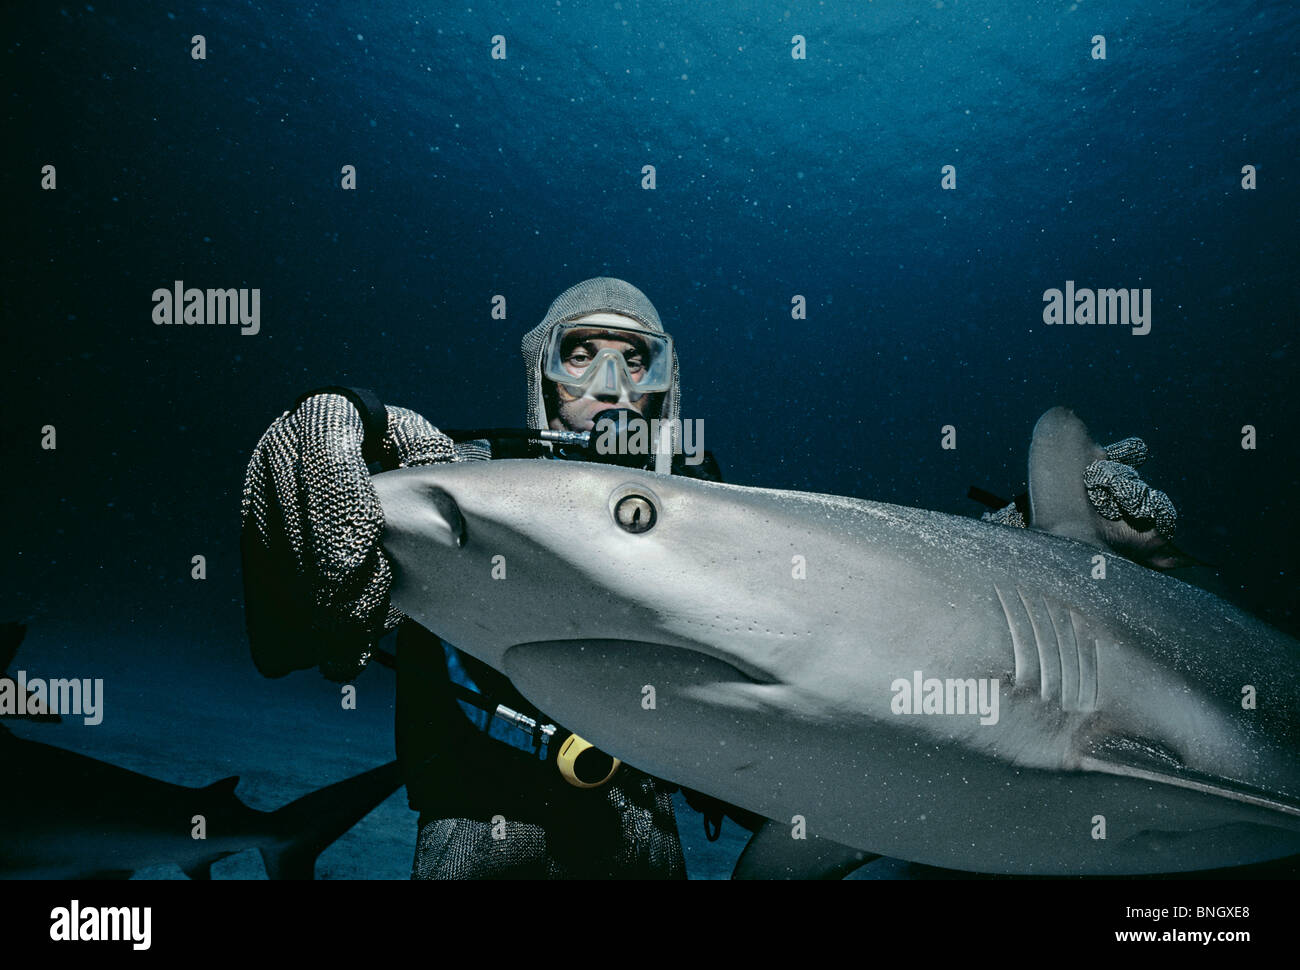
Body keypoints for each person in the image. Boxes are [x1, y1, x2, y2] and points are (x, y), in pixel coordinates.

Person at [240, 276, 1181, 879]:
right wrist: (333, 422)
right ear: (541, 372)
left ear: (664, 383)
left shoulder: (714, 505)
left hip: (646, 821)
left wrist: (1040, 549)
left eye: (634, 357)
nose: (607, 379)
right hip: (479, 827)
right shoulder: (471, 472)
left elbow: (848, 634)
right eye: (578, 352)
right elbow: (309, 623)